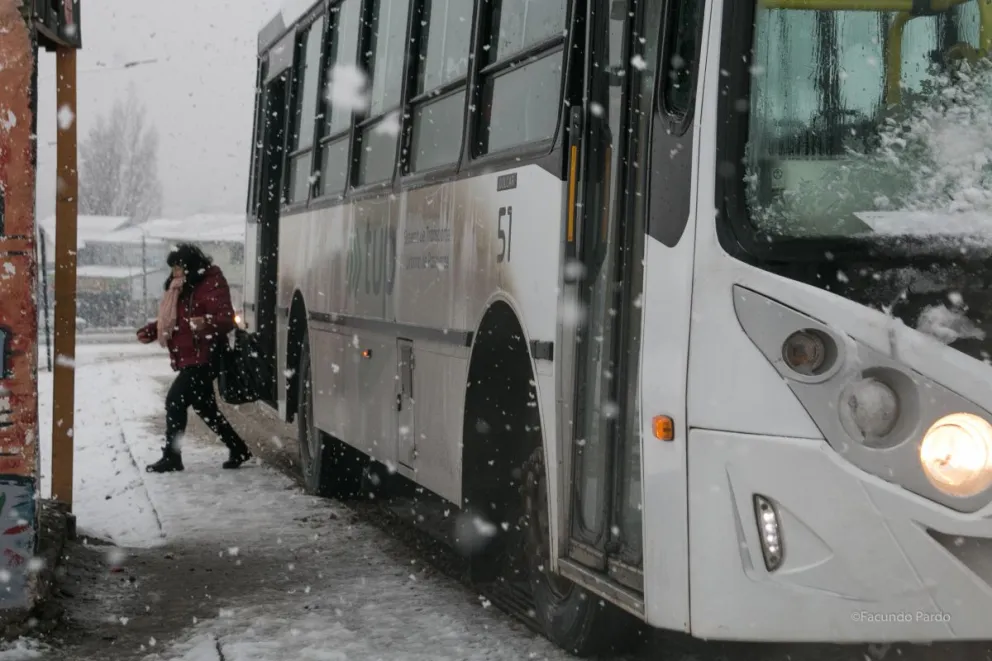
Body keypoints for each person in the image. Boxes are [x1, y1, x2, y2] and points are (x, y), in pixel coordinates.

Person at [136, 243, 253, 473]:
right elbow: (176, 320)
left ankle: (172, 456)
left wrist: (205, 323)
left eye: (178, 267)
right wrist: (152, 330)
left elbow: (225, 318)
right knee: (204, 407)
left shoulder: (211, 282)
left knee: (175, 401)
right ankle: (238, 448)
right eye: (173, 268)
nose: (174, 272)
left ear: (189, 265)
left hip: (206, 356)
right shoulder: (180, 288)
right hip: (191, 357)